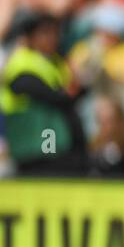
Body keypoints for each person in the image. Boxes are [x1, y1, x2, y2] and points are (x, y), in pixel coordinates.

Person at [0, 12, 85, 174]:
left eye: (55, 33)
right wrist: (72, 91)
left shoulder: (56, 62)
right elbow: (51, 96)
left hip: (55, 139)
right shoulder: (22, 62)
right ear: (30, 37)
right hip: (33, 140)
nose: (52, 38)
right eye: (45, 33)